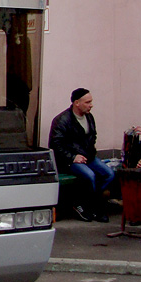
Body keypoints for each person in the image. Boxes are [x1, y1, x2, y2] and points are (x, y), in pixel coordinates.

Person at [49, 88, 114, 222]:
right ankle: (91, 206)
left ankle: (89, 203)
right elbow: (56, 145)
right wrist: (73, 157)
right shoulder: (62, 120)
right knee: (90, 176)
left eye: (91, 102)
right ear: (77, 103)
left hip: (88, 157)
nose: (91, 105)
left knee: (109, 174)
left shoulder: (89, 117)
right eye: (88, 102)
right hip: (69, 160)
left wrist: (90, 153)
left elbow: (93, 136)